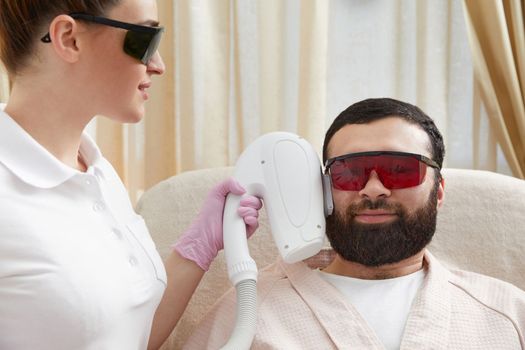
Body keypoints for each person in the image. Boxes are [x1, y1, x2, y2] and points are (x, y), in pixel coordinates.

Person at [0, 1, 262, 349]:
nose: (159, 66)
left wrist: (201, 244)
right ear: (69, 39)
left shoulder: (97, 172)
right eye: (146, 39)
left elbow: (126, 334)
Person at [184, 98, 525, 349]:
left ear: (438, 191)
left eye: (399, 169)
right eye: (350, 172)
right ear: (322, 190)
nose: (373, 188)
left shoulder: (507, 313)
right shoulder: (249, 312)